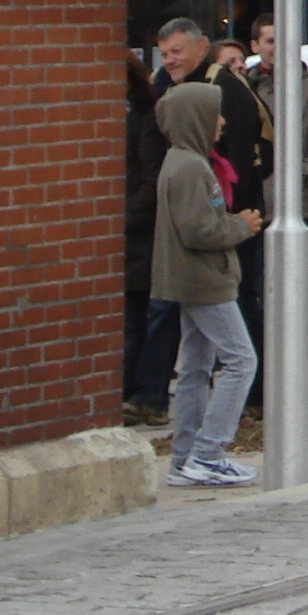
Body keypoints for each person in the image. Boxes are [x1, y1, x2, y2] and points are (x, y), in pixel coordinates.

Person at [152, 83, 265, 487]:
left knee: (196, 368)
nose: (221, 122)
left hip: (193, 280)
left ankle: (184, 459)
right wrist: (241, 225)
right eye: (213, 114)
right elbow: (198, 230)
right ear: (194, 119)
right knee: (241, 360)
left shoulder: (185, 163)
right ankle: (208, 452)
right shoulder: (189, 168)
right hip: (204, 281)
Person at [154, 18, 272, 396]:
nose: (170, 61)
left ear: (202, 46)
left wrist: (235, 222)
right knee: (218, 360)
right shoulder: (186, 159)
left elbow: (237, 159)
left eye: (177, 51)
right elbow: (198, 227)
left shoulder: (222, 89)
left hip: (227, 231)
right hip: (206, 250)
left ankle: (203, 440)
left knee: (217, 355)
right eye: (164, 54)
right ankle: (202, 449)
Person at [248, 14, 308, 345]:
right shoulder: (244, 88)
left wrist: (303, 172)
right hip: (253, 210)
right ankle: (264, 373)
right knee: (258, 292)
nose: (277, 48)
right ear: (256, 46)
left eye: (283, 39)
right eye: (270, 41)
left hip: (296, 206)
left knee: (306, 290)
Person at [123, 51, 179, 419]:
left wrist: (124, 219)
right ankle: (134, 390)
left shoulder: (145, 121)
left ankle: (145, 393)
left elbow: (150, 179)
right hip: (129, 235)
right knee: (132, 319)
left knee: (140, 318)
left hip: (140, 237)